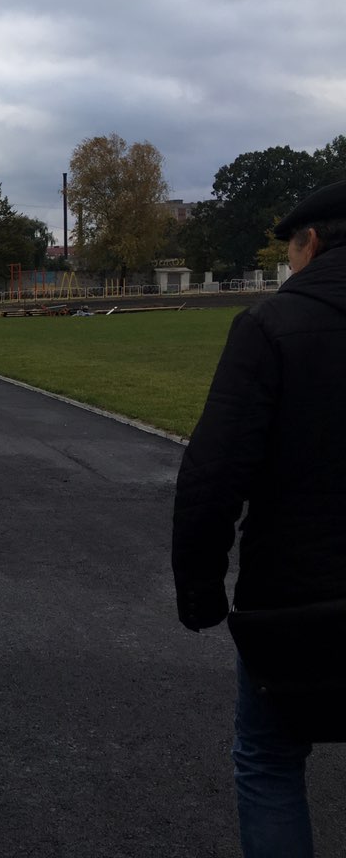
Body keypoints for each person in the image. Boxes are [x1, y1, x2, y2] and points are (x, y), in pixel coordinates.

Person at [172, 177, 346, 857]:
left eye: (291, 251)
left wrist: (201, 591)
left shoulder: (271, 326)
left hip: (297, 594)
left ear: (312, 242)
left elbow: (214, 475)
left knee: (270, 759)